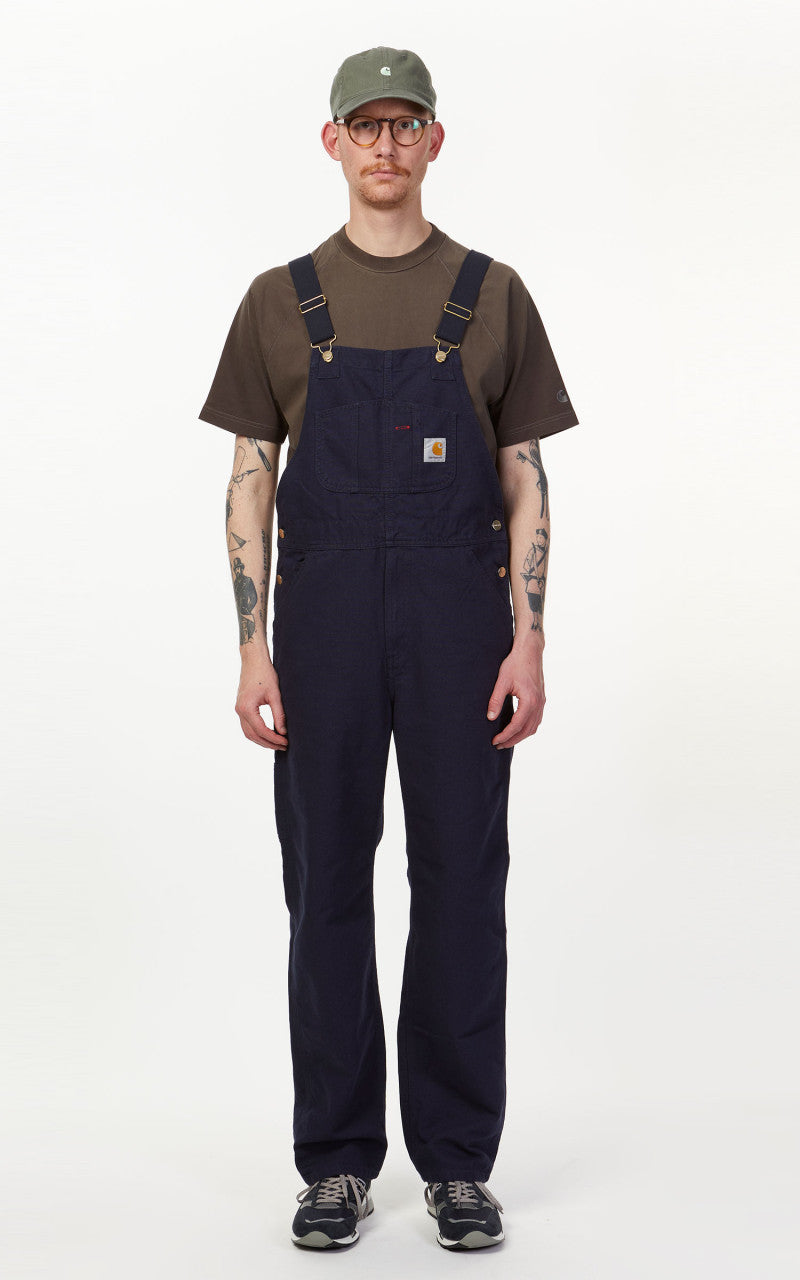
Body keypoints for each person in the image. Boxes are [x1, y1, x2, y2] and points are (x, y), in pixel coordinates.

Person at [198, 45, 579, 1252]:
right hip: (319, 624)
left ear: (432, 140)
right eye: (362, 125)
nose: (383, 144)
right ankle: (335, 1160)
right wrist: (251, 646)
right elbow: (249, 479)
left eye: (403, 123)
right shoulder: (278, 299)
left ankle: (456, 1163)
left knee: (461, 882)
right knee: (325, 887)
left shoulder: (492, 292)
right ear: (331, 142)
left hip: (461, 620)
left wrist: (527, 636)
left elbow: (524, 477)